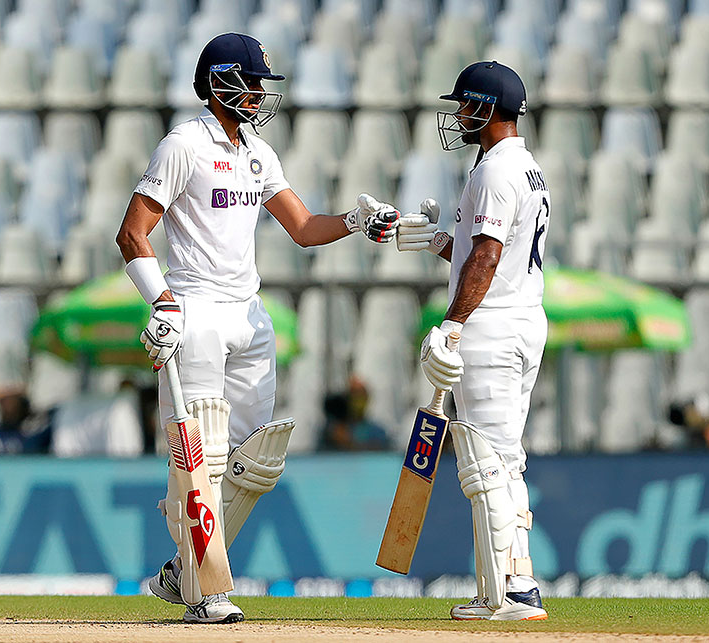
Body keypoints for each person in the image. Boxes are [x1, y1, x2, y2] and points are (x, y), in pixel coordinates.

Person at [115, 33, 399, 624]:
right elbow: (132, 232)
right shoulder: (184, 144)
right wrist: (162, 302)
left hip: (249, 312)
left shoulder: (258, 153)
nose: (259, 95)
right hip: (195, 309)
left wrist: (355, 220)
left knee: (253, 462)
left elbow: (304, 228)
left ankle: (184, 569)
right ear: (220, 83)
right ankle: (205, 593)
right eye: (251, 84)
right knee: (201, 454)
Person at [395, 61, 550, 621]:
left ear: (487, 108)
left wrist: (454, 323)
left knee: (486, 462)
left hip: (492, 329)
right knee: (505, 459)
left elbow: (487, 257)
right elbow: (485, 253)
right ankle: (514, 581)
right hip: (521, 320)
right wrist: (440, 241)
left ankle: (509, 593)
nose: (458, 114)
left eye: (465, 105)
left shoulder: (495, 172)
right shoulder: (526, 168)